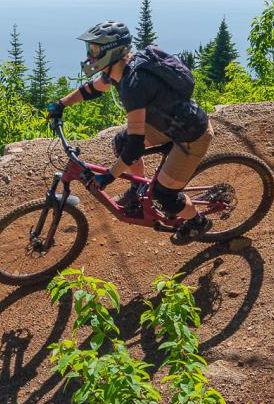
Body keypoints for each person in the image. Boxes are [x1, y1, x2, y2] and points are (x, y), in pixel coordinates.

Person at [45, 19, 214, 240]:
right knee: (120, 141)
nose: (90, 55)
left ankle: (198, 222)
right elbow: (91, 90)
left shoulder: (134, 85)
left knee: (165, 196)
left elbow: (136, 146)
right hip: (166, 124)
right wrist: (60, 104)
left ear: (111, 52)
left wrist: (107, 177)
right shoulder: (117, 73)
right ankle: (138, 189)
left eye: (94, 49)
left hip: (191, 135)